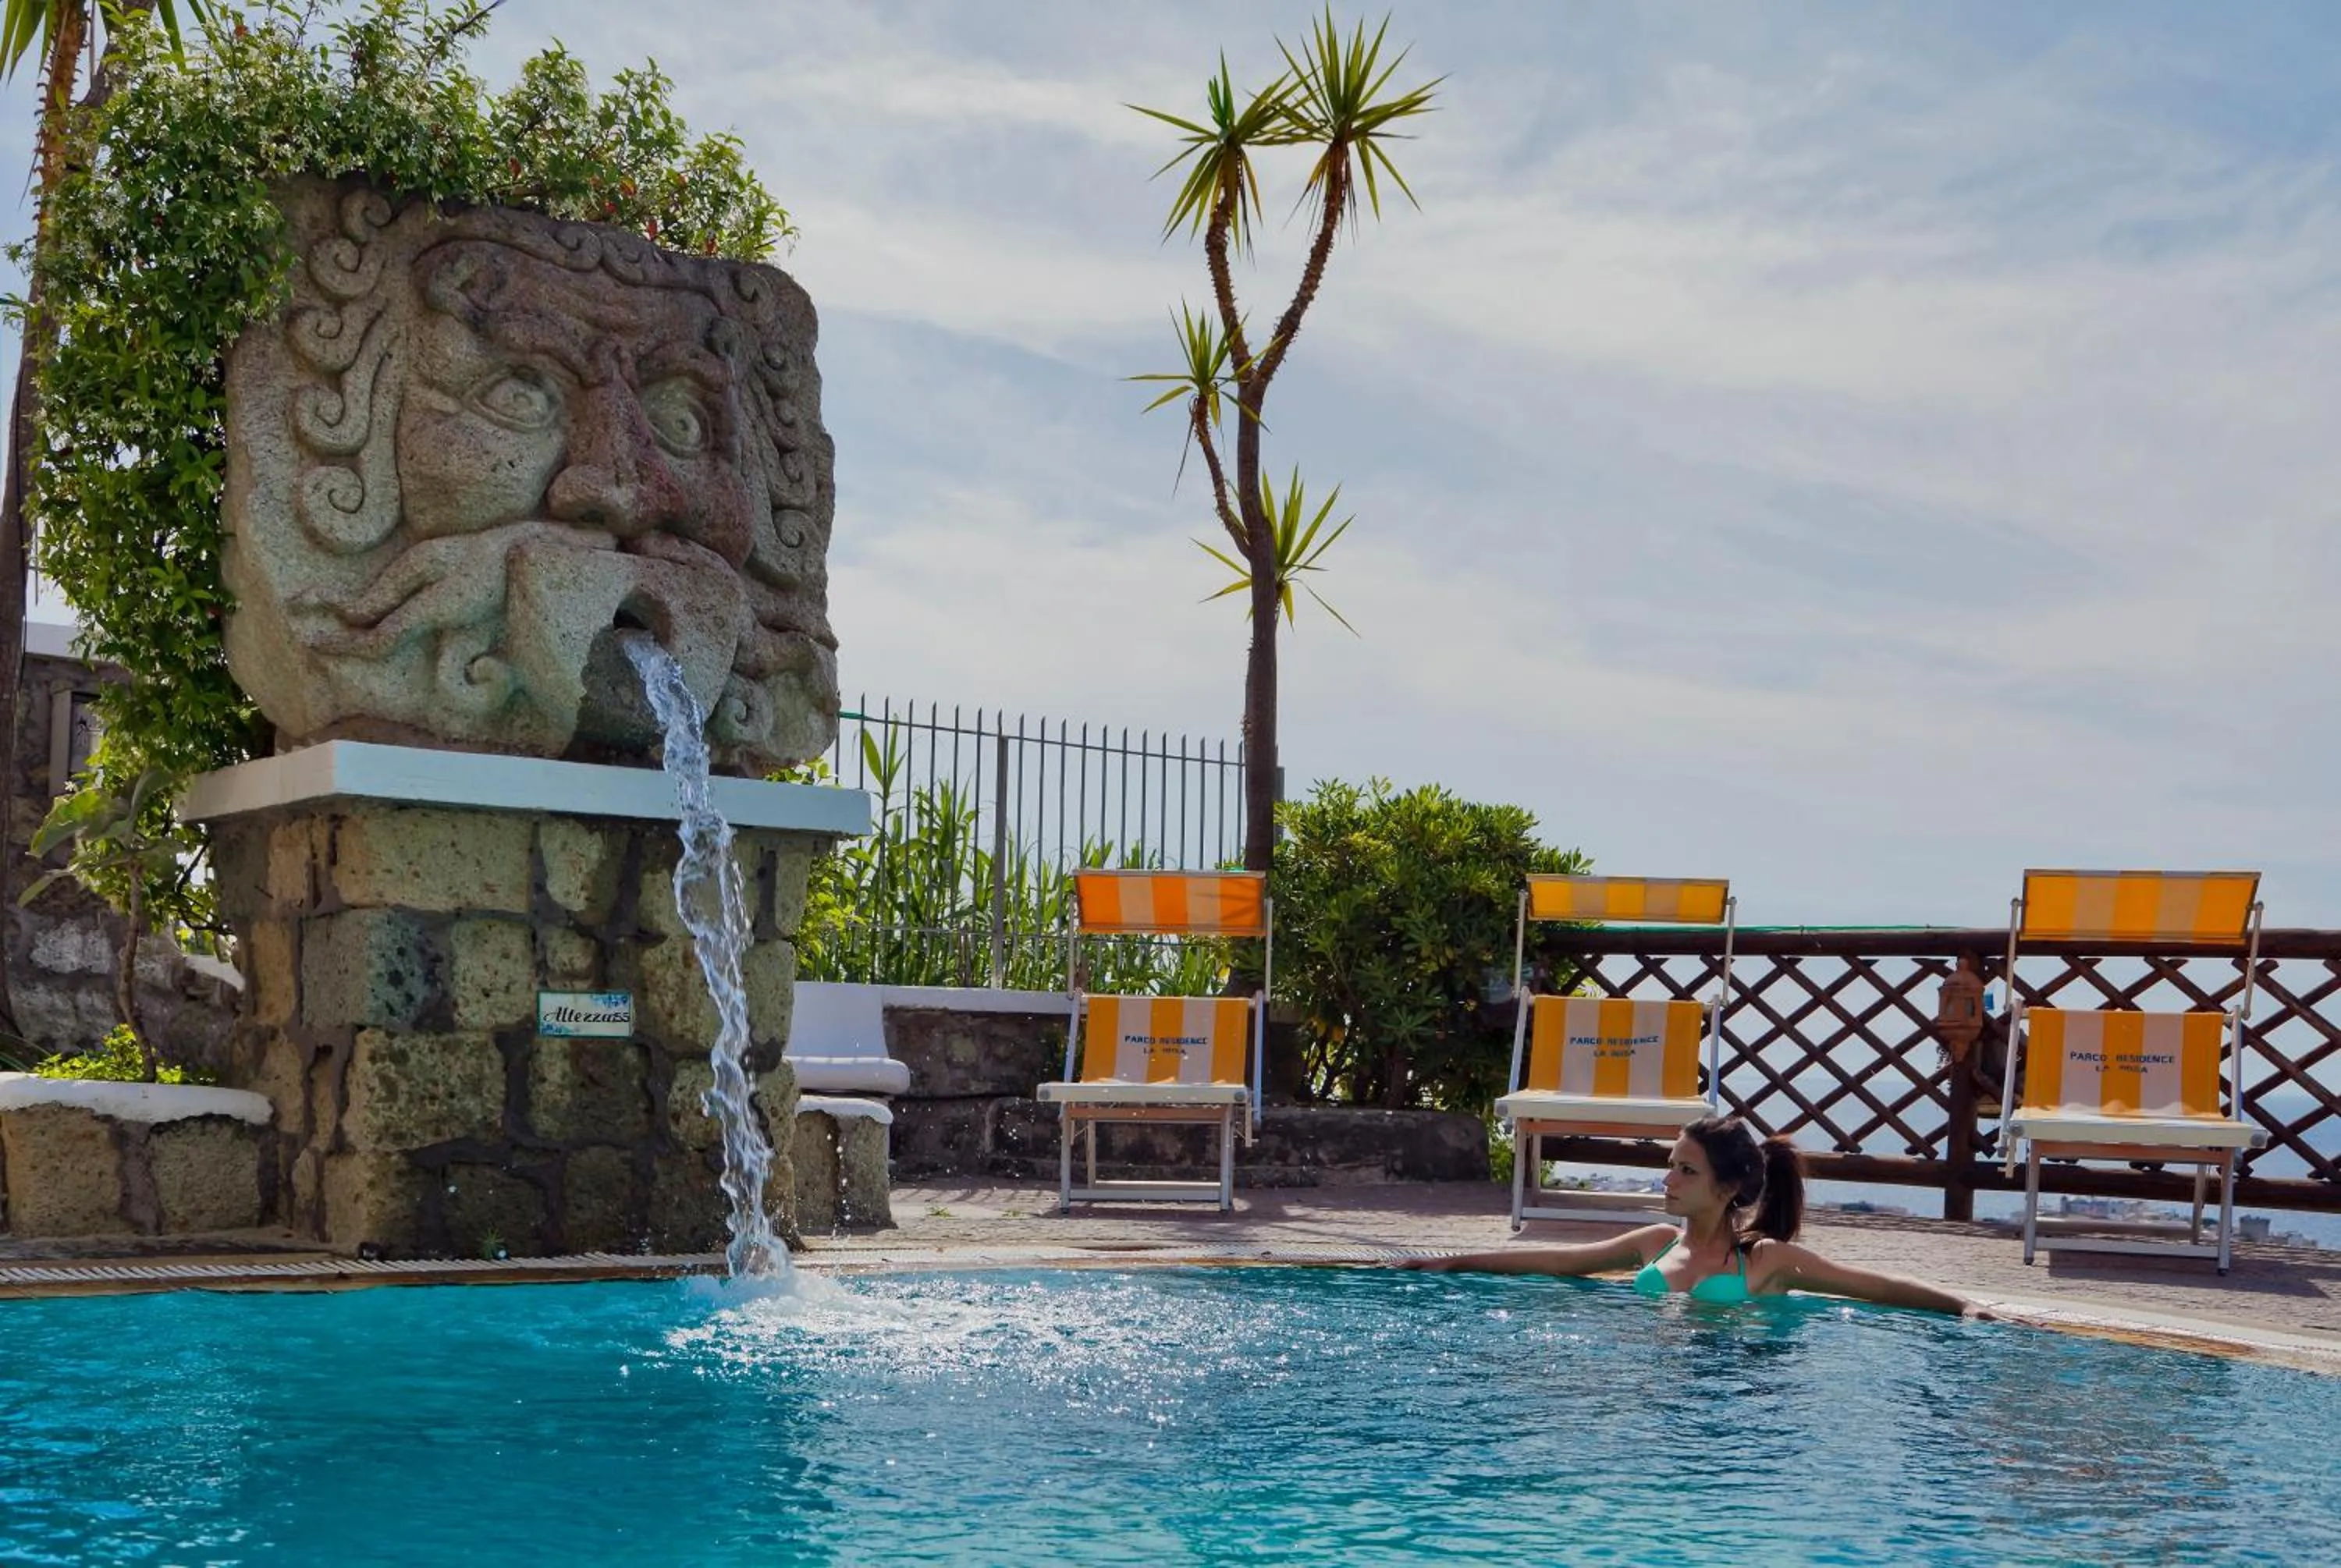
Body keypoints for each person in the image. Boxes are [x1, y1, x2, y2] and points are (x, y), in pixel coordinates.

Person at [1401, 1115, 1986, 1316]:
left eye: (1687, 1171)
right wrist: (1457, 1262)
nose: (1669, 1180)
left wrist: (1965, 1304)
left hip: (1727, 1400)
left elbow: (1874, 1288)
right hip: (1655, 1399)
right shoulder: (1655, 1242)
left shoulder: (1765, 1259)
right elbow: (1558, 1262)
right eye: (1671, 1165)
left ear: (1727, 1188)